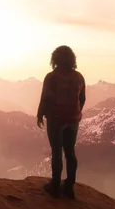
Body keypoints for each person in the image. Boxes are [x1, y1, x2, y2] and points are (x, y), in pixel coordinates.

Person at [37, 45, 86, 199]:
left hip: (56, 118)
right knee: (70, 151)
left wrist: (40, 114)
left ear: (55, 59)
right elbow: (82, 99)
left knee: (57, 151)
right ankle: (69, 186)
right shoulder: (79, 77)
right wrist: (75, 112)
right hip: (73, 119)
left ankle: (55, 185)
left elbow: (45, 98)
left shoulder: (52, 77)